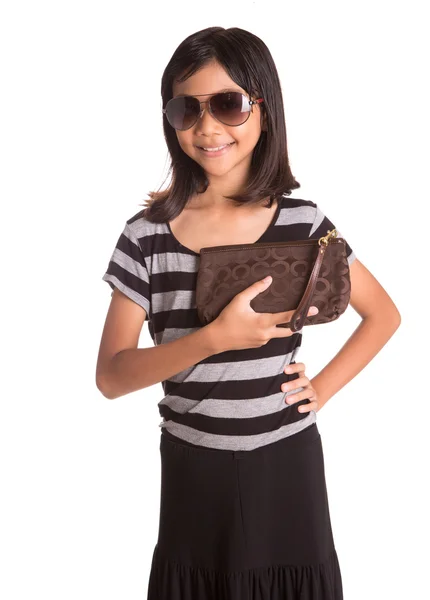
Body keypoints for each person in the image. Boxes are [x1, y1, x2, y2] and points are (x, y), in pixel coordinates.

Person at [96, 26, 401, 600]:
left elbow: (383, 314)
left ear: (265, 109)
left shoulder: (304, 224)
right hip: (192, 469)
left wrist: (324, 389)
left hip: (286, 463)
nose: (207, 127)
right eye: (187, 108)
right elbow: (111, 375)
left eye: (229, 105)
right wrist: (213, 339)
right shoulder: (146, 237)